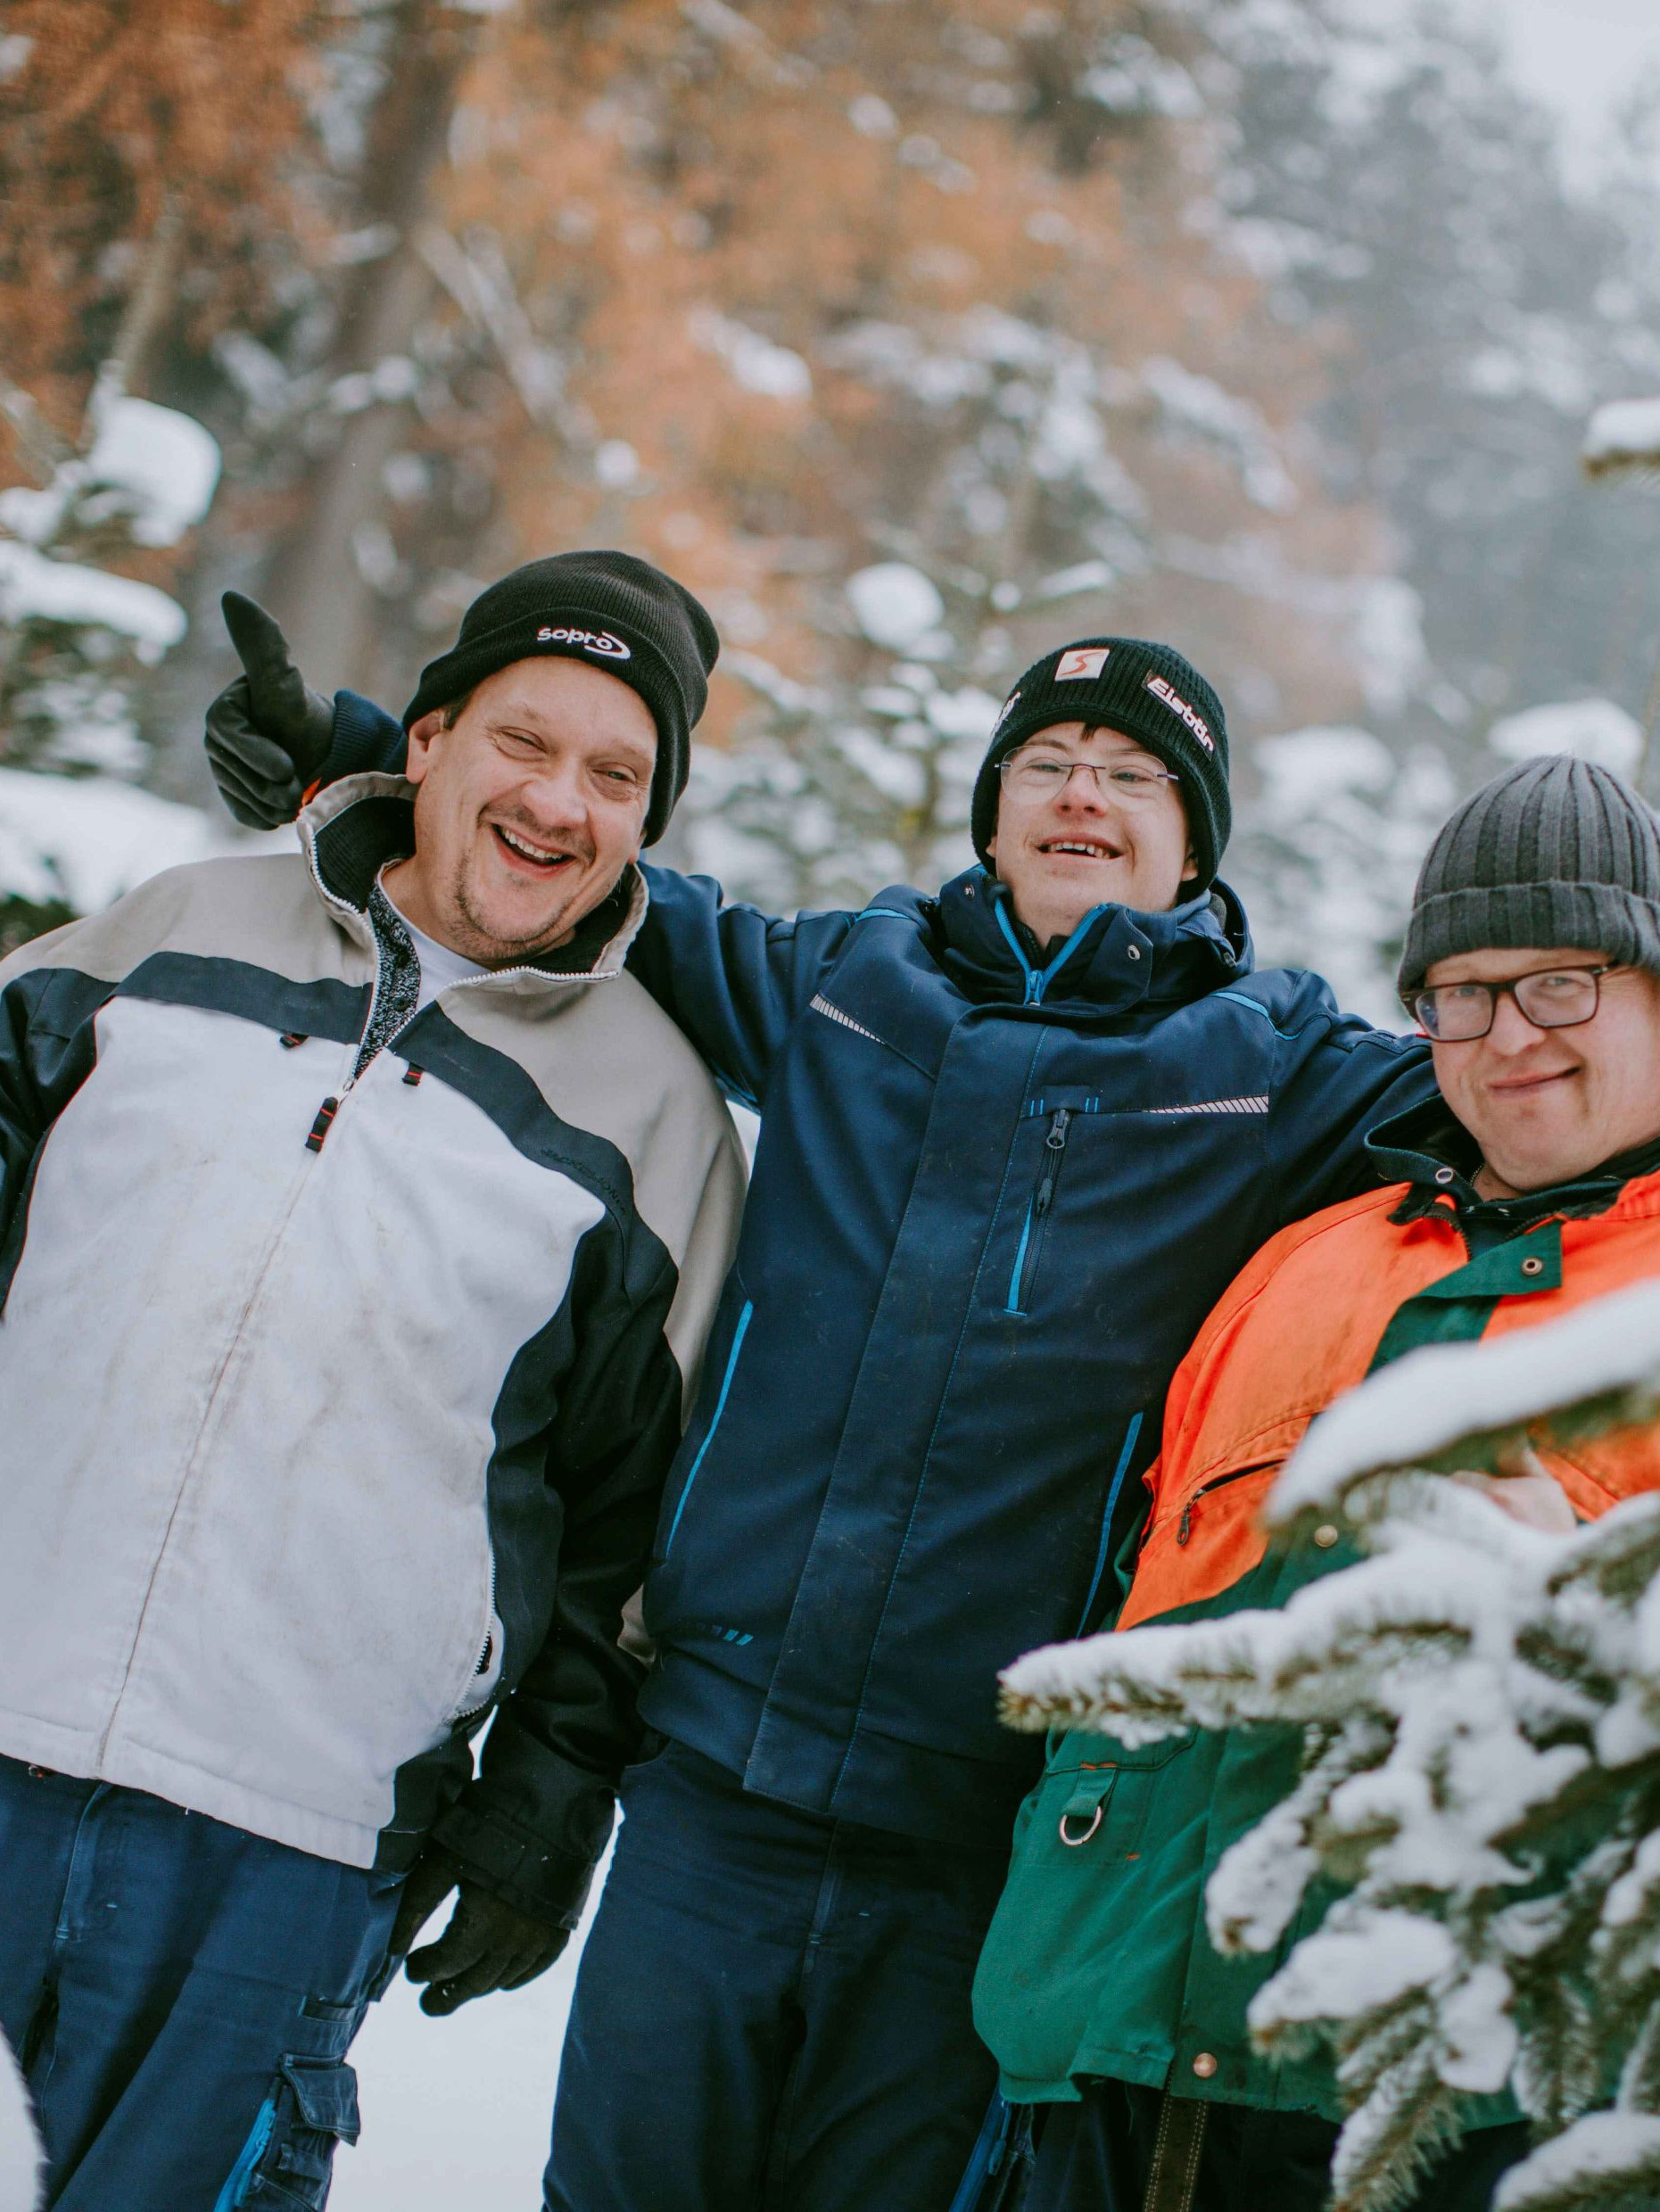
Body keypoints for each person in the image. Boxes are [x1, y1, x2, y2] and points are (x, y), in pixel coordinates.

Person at [204, 604, 1435, 2211]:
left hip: (981, 1832)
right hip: (715, 1790)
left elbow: (1528, 1082)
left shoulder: (1273, 1071)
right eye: (1046, 762)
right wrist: (366, 756)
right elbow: (592, 878)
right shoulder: (850, 986)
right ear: (990, 811)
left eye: (1134, 775)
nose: (1081, 792)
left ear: (1191, 848)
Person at [0, 552, 746, 2210]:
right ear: (425, 742)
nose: (558, 801)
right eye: (523, 741)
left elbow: (637, 1529)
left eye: (616, 776)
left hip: (291, 1839)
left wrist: (548, 1799)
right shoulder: (172, 931)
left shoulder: (656, 1125)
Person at [975, 754, 1660, 2212]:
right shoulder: (1307, 1258)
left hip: (1447, 2116)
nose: (1503, 1033)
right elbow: (1137, 1592)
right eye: (1459, 991)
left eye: (1559, 983)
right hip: (1105, 2058)